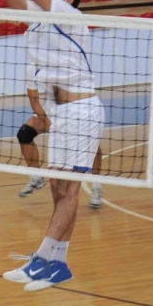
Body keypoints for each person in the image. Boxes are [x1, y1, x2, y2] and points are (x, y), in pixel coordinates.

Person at [0, 0, 102, 291]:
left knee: (70, 190)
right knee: (60, 190)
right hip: (61, 115)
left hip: (81, 111)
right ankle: (58, 264)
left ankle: (42, 260)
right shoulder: (39, 20)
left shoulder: (69, 15)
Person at [17, 62, 104, 209]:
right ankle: (36, 177)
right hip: (52, 108)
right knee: (24, 134)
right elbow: (34, 101)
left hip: (78, 108)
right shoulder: (32, 69)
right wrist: (49, 124)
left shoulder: (69, 62)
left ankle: (96, 186)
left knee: (93, 146)